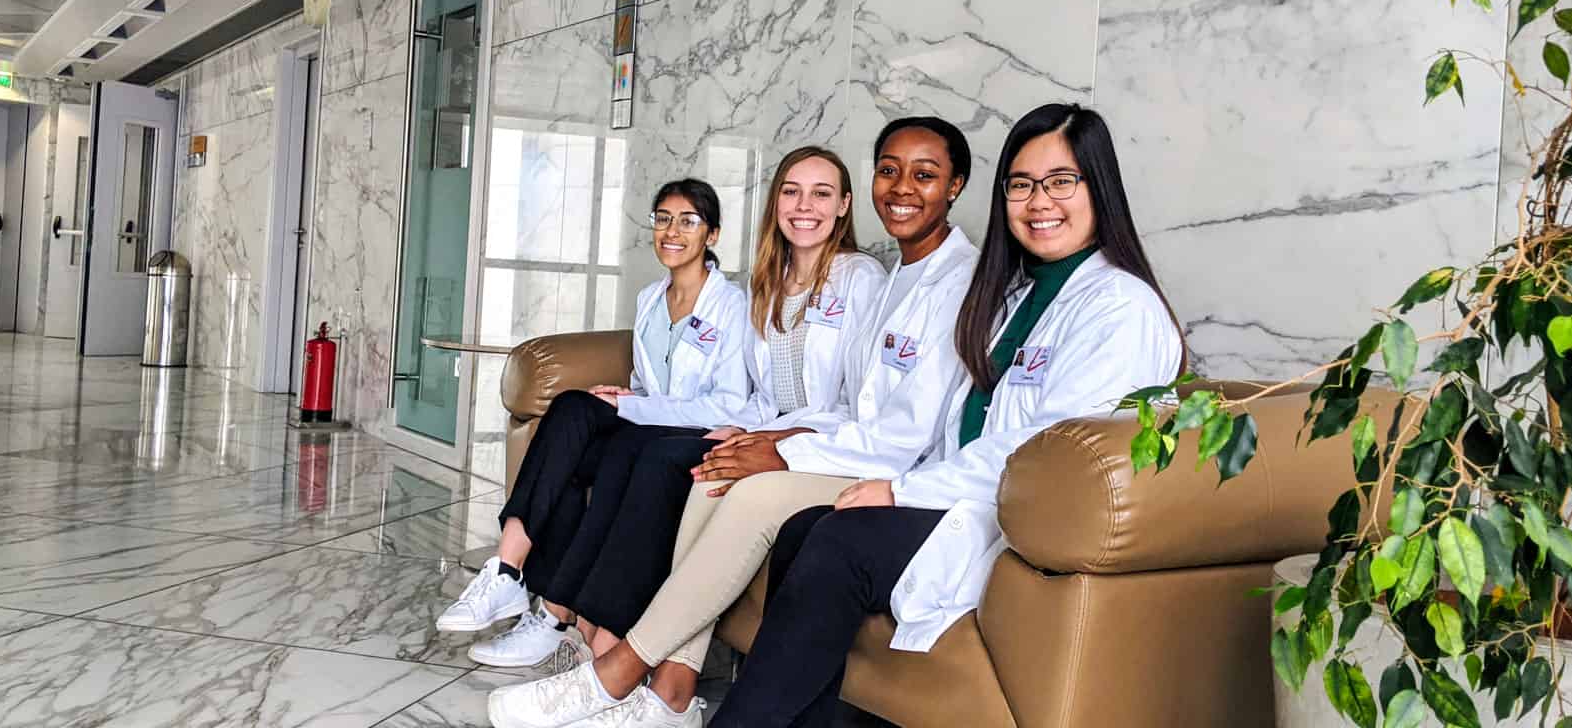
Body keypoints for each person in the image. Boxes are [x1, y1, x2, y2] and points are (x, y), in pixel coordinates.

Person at [486, 119, 980, 728]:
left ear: (954, 184)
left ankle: (618, 666)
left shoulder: (876, 279)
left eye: (822, 193)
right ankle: (662, 678)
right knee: (680, 465)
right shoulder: (811, 283)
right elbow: (764, 396)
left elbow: (874, 420)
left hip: (871, 459)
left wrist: (777, 445)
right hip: (820, 439)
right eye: (890, 170)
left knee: (700, 472)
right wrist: (753, 433)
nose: (902, 187)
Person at [710, 103, 1186, 726]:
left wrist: (900, 489)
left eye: (1061, 181)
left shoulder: (1120, 307)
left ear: (1099, 187)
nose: (1040, 201)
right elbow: (957, 423)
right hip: (963, 492)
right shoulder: (1014, 294)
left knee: (838, 545)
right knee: (805, 528)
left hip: (1019, 517)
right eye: (1021, 184)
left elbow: (1043, 454)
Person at [463, 149, 887, 683]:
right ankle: (543, 602)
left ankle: (595, 636)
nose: (805, 206)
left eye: (821, 193)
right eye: (791, 191)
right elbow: (760, 391)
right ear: (775, 201)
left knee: (657, 456)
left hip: (813, 442)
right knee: (596, 434)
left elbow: (856, 403)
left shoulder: (860, 280)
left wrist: (767, 431)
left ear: (844, 205)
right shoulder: (769, 281)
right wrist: (746, 424)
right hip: (756, 427)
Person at [435, 179, 749, 671]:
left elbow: (726, 404)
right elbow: (652, 384)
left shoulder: (733, 306)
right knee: (572, 412)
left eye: (688, 221)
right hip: (650, 422)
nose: (671, 231)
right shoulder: (650, 298)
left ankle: (551, 616)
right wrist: (632, 398)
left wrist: (638, 409)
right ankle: (506, 572)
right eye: (662, 218)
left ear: (712, 235)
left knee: (596, 446)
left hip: (688, 437)